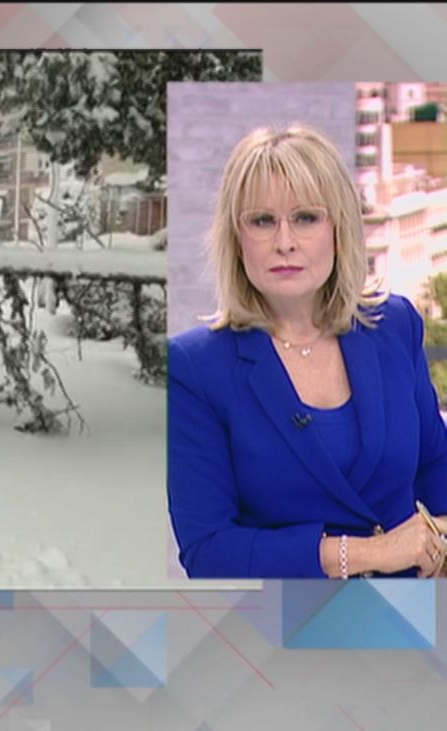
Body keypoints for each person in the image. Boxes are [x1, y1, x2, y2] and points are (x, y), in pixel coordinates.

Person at [168, 124, 447, 579]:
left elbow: (435, 462)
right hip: (287, 618)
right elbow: (208, 550)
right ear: (236, 238)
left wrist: (440, 542)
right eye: (262, 221)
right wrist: (369, 554)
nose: (285, 242)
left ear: (339, 228)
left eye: (306, 218)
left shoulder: (395, 325)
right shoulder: (195, 368)